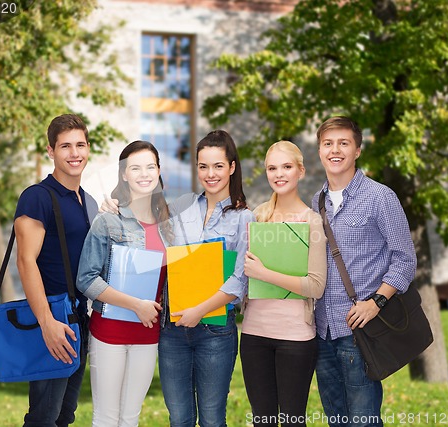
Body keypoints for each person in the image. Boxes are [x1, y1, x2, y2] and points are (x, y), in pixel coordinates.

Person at [311, 116, 416, 427]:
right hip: (322, 331)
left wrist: (376, 303)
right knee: (336, 421)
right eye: (328, 144)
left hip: (360, 332)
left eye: (344, 143)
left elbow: (405, 260)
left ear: (357, 150)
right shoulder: (316, 203)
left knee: (363, 422)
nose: (335, 150)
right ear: (319, 150)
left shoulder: (381, 197)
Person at [159, 130, 255, 427]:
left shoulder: (244, 218)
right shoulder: (181, 208)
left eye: (217, 166)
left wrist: (198, 311)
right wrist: (114, 205)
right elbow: (149, 232)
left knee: (212, 419)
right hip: (173, 329)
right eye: (203, 166)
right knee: (179, 419)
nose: (210, 174)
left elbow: (240, 280)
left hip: (215, 331)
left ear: (232, 167)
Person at [76, 141, 172, 426]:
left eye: (150, 166)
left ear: (158, 171)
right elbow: (86, 279)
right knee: (106, 417)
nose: (144, 174)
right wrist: (136, 305)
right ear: (124, 174)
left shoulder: (170, 224)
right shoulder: (108, 220)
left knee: (131, 417)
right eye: (135, 167)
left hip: (149, 334)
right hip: (110, 333)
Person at [14, 114, 98, 427]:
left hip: (79, 321)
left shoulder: (86, 201)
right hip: (53, 321)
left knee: (64, 416)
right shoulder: (37, 197)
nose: (74, 153)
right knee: (43, 418)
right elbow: (26, 261)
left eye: (80, 145)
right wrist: (46, 321)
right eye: (65, 146)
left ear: (88, 148)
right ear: (51, 151)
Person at [241, 141, 327, 426]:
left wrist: (264, 273)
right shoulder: (257, 217)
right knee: (262, 421)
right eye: (272, 168)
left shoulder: (312, 222)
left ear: (300, 171)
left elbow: (315, 286)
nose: (279, 174)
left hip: (295, 338)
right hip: (254, 335)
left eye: (287, 167)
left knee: (292, 421)